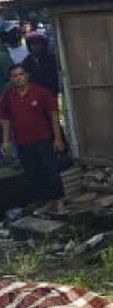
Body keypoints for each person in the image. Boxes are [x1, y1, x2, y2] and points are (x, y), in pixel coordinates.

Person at [0, 64, 64, 213]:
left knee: (51, 172)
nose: (18, 78)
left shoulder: (40, 92)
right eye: (15, 76)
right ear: (10, 79)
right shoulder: (8, 97)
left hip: (43, 140)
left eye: (21, 74)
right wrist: (5, 140)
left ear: (27, 76)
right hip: (23, 143)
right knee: (33, 174)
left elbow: (53, 116)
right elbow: (5, 120)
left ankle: (59, 201)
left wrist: (58, 138)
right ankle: (45, 201)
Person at [21, 31, 58, 96]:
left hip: (52, 93)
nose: (36, 46)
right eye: (33, 44)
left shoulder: (52, 59)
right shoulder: (27, 62)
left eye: (38, 44)